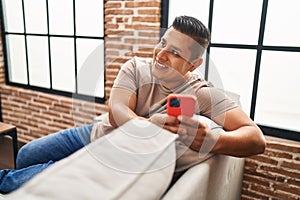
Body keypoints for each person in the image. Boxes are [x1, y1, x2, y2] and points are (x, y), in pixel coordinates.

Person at [0, 15, 266, 194]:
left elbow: (256, 139)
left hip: (111, 156)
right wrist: (151, 126)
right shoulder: (136, 67)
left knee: (21, 180)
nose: (161, 54)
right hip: (95, 132)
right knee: (25, 155)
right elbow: (116, 113)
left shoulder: (204, 93)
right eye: (163, 43)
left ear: (194, 65)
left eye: (175, 52)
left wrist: (213, 140)